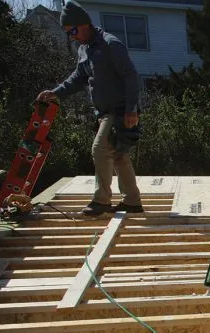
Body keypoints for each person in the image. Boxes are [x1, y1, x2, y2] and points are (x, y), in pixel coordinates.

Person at [36, 0, 143, 216]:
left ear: (84, 24)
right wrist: (55, 92)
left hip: (120, 110)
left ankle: (101, 201)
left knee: (99, 149)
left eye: (73, 31)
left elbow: (131, 76)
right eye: (68, 33)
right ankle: (132, 202)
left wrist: (132, 109)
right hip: (104, 112)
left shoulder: (110, 44)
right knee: (120, 155)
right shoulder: (84, 49)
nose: (71, 36)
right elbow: (78, 78)